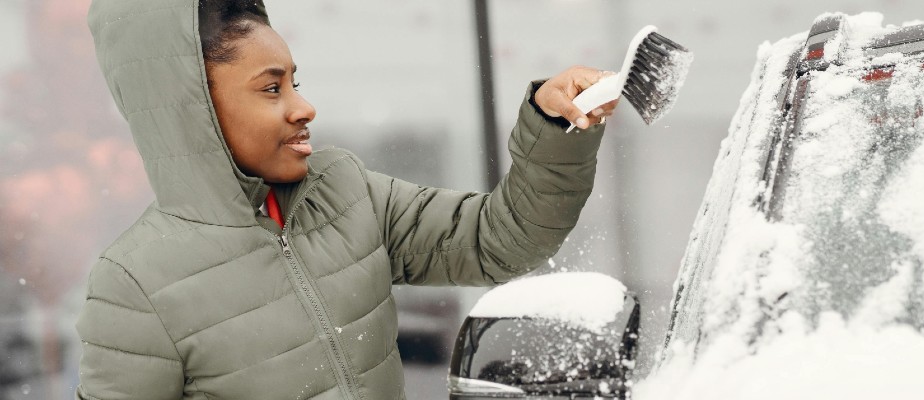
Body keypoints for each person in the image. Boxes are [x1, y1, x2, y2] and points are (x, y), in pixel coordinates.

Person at [75, 0, 619, 399]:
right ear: (193, 109)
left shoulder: (343, 190)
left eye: (295, 82)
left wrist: (554, 125)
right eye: (272, 89)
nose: (303, 106)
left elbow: (501, 240)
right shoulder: (135, 282)